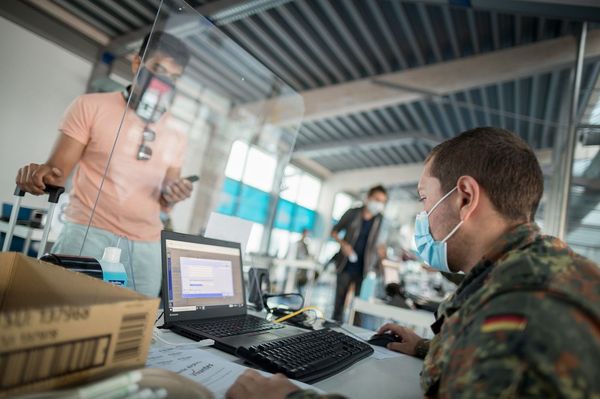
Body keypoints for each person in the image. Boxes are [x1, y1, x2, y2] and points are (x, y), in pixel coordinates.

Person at [225, 127, 600, 399]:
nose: (423, 217)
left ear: (465, 197)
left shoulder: (524, 306)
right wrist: (427, 348)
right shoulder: (536, 268)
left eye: (424, 200)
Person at [15, 31, 193, 297]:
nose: (164, 81)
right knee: (66, 311)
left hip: (146, 247)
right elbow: (55, 175)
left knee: (133, 326)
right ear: (137, 64)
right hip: (89, 233)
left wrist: (175, 193)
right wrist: (37, 176)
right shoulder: (90, 106)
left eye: (174, 77)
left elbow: (166, 200)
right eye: (158, 68)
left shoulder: (177, 134)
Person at [330, 185, 388, 322]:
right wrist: (344, 245)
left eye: (382, 201)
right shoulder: (352, 213)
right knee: (339, 304)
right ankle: (332, 332)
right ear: (368, 198)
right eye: (376, 199)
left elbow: (380, 243)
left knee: (359, 308)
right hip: (345, 264)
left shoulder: (380, 220)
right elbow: (334, 231)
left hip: (365, 268)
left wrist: (382, 258)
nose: (379, 204)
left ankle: (353, 336)